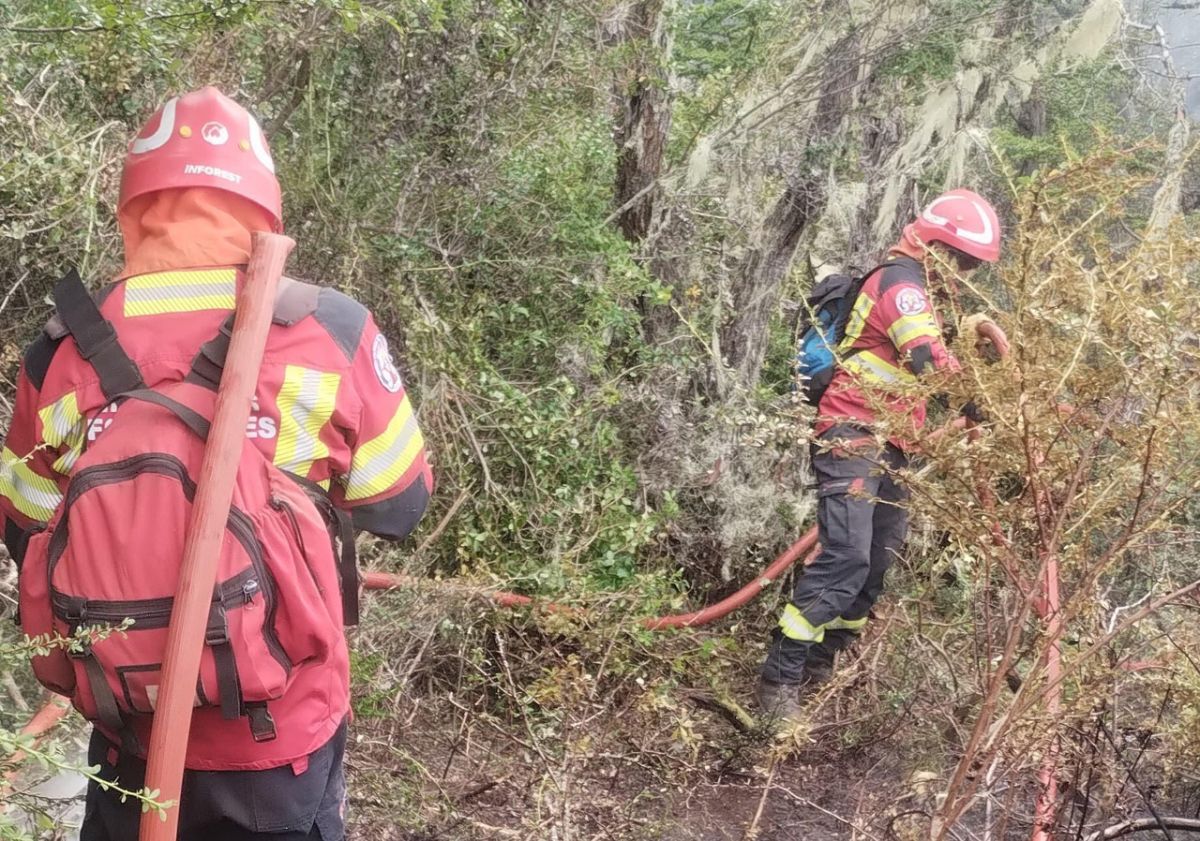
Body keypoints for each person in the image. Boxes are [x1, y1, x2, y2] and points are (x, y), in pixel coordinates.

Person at [0, 87, 433, 840]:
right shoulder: (329, 330)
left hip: (125, 738)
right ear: (263, 204)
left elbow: (24, 524)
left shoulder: (61, 347)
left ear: (134, 207)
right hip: (281, 746)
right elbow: (399, 502)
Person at [756, 189, 1002, 721]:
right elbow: (925, 360)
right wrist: (981, 394)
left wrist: (976, 335)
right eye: (959, 261)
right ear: (934, 246)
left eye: (969, 266)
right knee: (846, 556)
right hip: (853, 434)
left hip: (894, 442)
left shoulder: (919, 291)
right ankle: (779, 684)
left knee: (876, 563)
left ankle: (821, 667)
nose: (962, 273)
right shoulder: (901, 284)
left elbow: (927, 344)